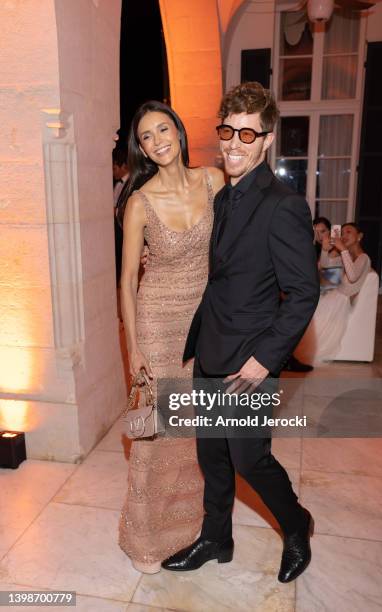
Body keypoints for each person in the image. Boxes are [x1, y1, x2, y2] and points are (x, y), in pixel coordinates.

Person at [161, 82, 320, 583]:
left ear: (267, 139)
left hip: (249, 361)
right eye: (227, 130)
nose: (234, 143)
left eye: (247, 134)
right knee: (211, 453)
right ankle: (216, 538)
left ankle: (296, 525)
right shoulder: (225, 195)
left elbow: (304, 294)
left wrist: (264, 360)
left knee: (250, 458)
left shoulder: (282, 205)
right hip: (212, 349)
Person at [118, 100, 224, 574]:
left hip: (206, 322)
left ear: (179, 132)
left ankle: (190, 529)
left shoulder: (214, 181)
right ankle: (146, 538)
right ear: (140, 148)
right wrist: (133, 346)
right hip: (158, 323)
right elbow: (126, 281)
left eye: (164, 129)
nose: (158, 140)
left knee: (196, 430)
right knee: (158, 431)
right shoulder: (140, 202)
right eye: (146, 136)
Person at [296, 222, 371, 365]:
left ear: (359, 236)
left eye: (348, 232)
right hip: (334, 296)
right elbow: (325, 264)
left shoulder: (364, 258)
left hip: (340, 301)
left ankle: (295, 353)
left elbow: (352, 276)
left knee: (307, 314)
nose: (344, 235)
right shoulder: (347, 256)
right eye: (342, 233)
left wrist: (343, 249)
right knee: (302, 308)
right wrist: (324, 250)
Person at [112, 147, 130, 287]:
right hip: (115, 228)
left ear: (123, 166)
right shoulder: (115, 184)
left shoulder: (132, 183)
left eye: (115, 167)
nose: (113, 172)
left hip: (125, 228)